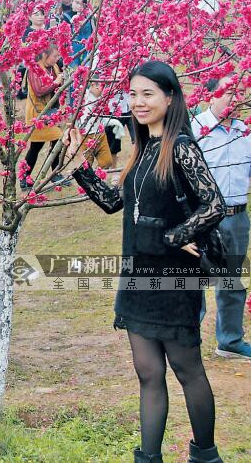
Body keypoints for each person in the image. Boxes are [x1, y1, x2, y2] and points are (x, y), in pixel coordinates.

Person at [64, 61, 226, 463]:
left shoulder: (181, 146)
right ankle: (148, 458)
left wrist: (174, 237)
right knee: (148, 374)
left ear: (169, 98)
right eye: (133, 94)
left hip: (173, 279)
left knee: (187, 370)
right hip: (137, 278)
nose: (138, 102)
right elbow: (112, 202)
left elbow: (214, 204)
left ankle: (205, 455)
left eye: (147, 94)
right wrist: (79, 165)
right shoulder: (142, 149)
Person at [193, 76, 251, 360]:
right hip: (204, 217)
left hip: (238, 217)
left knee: (232, 279)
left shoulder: (246, 132)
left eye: (240, 92)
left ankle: (230, 340)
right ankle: (185, 341)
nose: (236, 98)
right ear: (210, 95)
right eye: (229, 92)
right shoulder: (195, 130)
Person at [21, 44, 64, 189]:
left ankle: (51, 174)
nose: (57, 59)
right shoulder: (35, 69)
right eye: (54, 56)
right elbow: (39, 91)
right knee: (50, 142)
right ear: (45, 55)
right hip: (37, 115)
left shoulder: (54, 67)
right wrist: (56, 83)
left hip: (50, 113)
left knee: (42, 145)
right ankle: (27, 178)